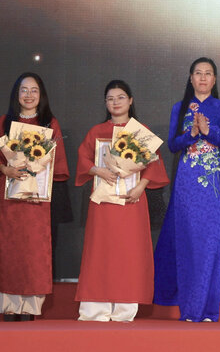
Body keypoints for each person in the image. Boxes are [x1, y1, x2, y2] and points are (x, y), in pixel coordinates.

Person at [75, 80, 169, 322]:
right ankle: (95, 310)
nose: (115, 102)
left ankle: (124, 310)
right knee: (100, 252)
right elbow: (84, 158)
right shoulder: (96, 132)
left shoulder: (140, 131)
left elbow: (153, 164)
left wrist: (140, 187)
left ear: (130, 101)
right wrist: (98, 170)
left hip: (131, 202)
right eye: (110, 98)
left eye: (120, 97)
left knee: (129, 253)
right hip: (103, 203)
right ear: (105, 103)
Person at [0, 73, 69, 321]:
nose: (28, 95)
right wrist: (5, 169)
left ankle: (30, 308)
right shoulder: (4, 123)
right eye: (23, 90)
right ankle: (10, 306)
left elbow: (56, 162)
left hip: (37, 200)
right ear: (16, 94)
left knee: (34, 251)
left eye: (34, 90)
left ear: (41, 95)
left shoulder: (50, 124)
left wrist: (37, 181)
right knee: (9, 248)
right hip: (9, 197)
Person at [154, 58, 220, 322]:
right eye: (198, 73)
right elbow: (173, 145)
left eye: (208, 73)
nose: (202, 78)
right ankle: (190, 310)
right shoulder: (180, 108)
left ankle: (210, 310)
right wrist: (191, 133)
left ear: (214, 79)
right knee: (188, 244)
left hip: (213, 187)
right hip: (187, 185)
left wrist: (208, 131)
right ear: (190, 78)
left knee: (211, 244)